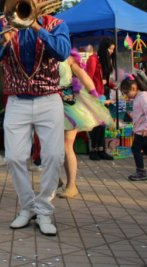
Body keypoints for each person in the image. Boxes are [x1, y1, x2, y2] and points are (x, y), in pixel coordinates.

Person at [0, 0, 70, 236]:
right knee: (13, 157)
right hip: (17, 100)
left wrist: (36, 26)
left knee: (54, 157)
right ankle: (28, 206)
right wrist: (3, 39)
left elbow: (62, 52)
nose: (22, 2)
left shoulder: (57, 23)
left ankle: (44, 209)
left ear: (42, 0)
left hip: (49, 98)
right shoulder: (2, 24)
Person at [58, 50, 113, 199]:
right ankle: (56, 178)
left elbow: (84, 76)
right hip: (45, 103)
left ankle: (71, 185)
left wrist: (95, 96)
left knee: (66, 145)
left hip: (69, 104)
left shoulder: (68, 57)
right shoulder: (38, 53)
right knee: (47, 143)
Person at [86, 37, 116, 161]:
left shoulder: (103, 61)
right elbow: (88, 78)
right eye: (110, 49)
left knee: (102, 123)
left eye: (113, 49)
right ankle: (94, 150)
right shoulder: (93, 60)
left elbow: (104, 80)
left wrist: (114, 85)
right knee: (97, 124)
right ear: (104, 48)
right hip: (95, 96)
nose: (111, 52)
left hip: (103, 94)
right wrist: (94, 95)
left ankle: (101, 149)